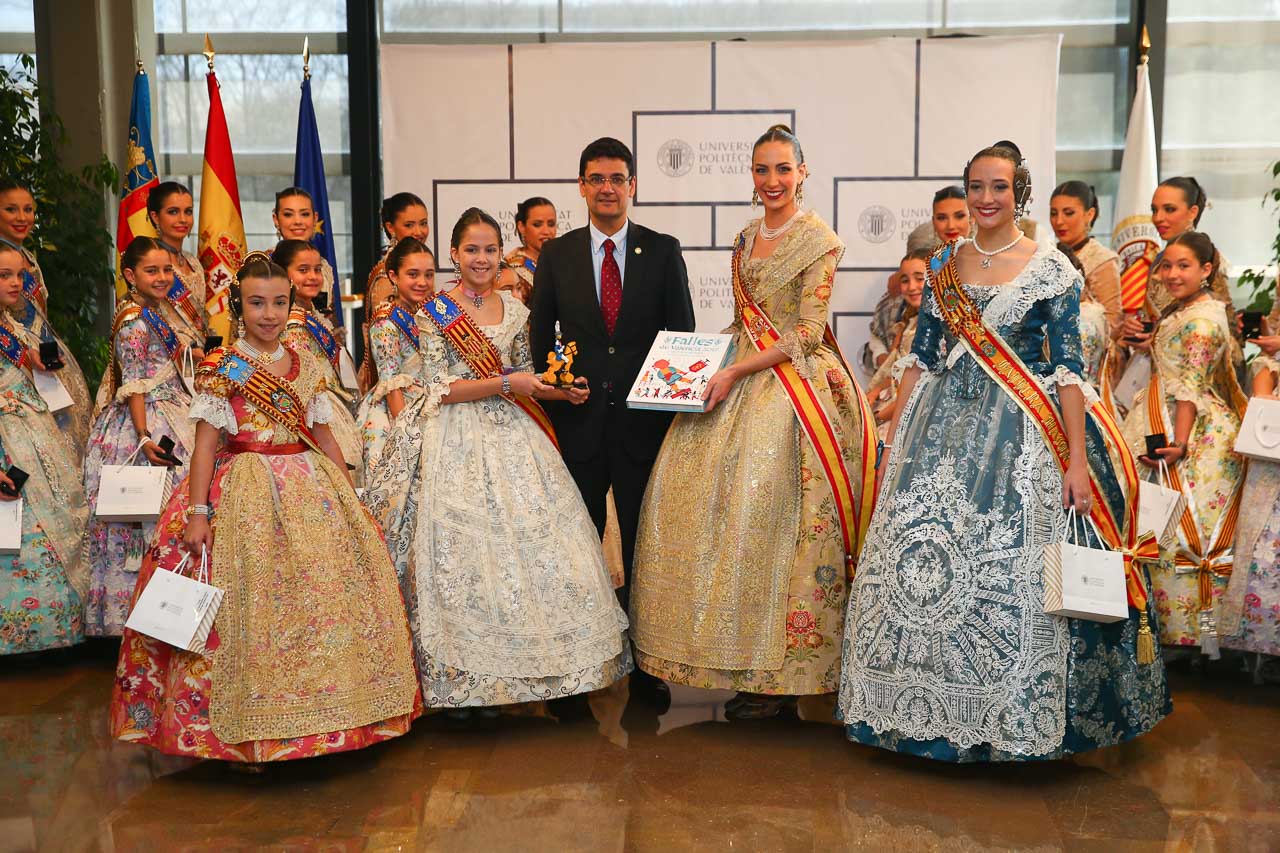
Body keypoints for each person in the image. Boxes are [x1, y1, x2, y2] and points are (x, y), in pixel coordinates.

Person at [839, 141, 1169, 761]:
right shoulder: (941, 267)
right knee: (922, 557)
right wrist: (894, 438)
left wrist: (1075, 460)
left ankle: (1007, 721)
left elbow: (1069, 372)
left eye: (997, 187)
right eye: (975, 188)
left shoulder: (1050, 270)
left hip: (1020, 437)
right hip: (936, 436)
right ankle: (915, 714)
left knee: (1009, 566)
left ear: (1017, 192)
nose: (985, 199)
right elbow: (923, 358)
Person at [109, 252, 420, 763]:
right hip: (245, 488)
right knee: (250, 606)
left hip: (310, 484)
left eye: (278, 303)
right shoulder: (223, 368)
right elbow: (206, 446)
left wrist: (348, 492)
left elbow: (321, 431)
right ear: (238, 305)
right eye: (257, 303)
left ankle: (337, 714)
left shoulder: (305, 364)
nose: (269, 314)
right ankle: (247, 730)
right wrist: (197, 512)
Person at [631, 125, 876, 719]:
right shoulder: (744, 238)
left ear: (803, 172)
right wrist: (692, 364)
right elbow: (745, 323)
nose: (772, 181)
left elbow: (807, 333)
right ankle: (734, 662)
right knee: (711, 516)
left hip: (795, 391)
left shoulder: (819, 240)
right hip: (739, 371)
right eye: (762, 170)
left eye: (783, 170)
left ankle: (783, 679)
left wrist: (735, 373)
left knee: (772, 522)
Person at [362, 208, 631, 713]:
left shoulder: (518, 309)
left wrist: (564, 392)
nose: (481, 259)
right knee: (465, 560)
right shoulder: (434, 312)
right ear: (454, 255)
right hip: (456, 439)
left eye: (489, 250)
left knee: (547, 553)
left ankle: (560, 678)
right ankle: (473, 685)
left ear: (498, 253)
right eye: (471, 250)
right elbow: (438, 388)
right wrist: (506, 384)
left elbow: (532, 375)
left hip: (518, 437)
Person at [529, 137, 696, 617]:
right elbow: (541, 337)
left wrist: (666, 408)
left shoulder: (663, 251)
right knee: (576, 542)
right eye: (597, 179)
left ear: (633, 186)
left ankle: (645, 660)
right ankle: (584, 651)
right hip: (577, 424)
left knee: (645, 545)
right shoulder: (556, 255)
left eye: (617, 179)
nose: (607, 188)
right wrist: (557, 389)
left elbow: (680, 339)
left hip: (643, 427)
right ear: (581, 187)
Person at [1121, 231, 1247, 654]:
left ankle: (1196, 635)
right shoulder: (1185, 308)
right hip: (1158, 416)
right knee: (1155, 525)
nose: (1172, 274)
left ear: (1207, 270)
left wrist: (1179, 442)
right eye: (1167, 265)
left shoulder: (1201, 319)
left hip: (1188, 431)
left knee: (1180, 529)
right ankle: (1167, 630)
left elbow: (1191, 387)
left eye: (1184, 266)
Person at [82, 237, 195, 637]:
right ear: (130, 275)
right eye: (152, 271)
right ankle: (141, 619)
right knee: (145, 520)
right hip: (144, 426)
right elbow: (135, 386)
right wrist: (145, 437)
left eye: (167, 270)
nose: (163, 277)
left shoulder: (158, 313)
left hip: (172, 412)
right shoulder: (133, 321)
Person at [0, 243, 88, 657]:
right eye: (4, 275)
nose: (16, 283)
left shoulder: (11, 327)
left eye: (19, 275)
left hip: (33, 433)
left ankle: (52, 634)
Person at [0, 180, 92, 453]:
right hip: (15, 359)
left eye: (28, 209)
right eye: (11, 209)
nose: (22, 217)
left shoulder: (28, 256)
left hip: (45, 349)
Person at [276, 239, 363, 485]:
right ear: (284, 274)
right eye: (303, 270)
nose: (313, 277)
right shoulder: (292, 322)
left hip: (334, 401)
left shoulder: (313, 314)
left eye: (317, 270)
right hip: (314, 409)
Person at [1221, 323, 1279, 677]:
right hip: (1270, 461)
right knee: (1262, 548)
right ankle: (1261, 648)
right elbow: (1260, 401)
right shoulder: (1269, 356)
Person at [356, 237, 434, 477]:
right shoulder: (385, 321)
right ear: (393, 276)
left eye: (429, 275)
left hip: (432, 404)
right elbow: (391, 385)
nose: (422, 282)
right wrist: (406, 433)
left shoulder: (430, 314)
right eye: (413, 274)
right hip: (398, 412)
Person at [867, 249, 928, 432]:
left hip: (912, 416)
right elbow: (896, 372)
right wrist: (877, 390)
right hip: (892, 406)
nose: (911, 287)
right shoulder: (908, 323)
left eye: (920, 278)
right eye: (905, 280)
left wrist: (877, 418)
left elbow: (919, 387)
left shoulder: (939, 327)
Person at [1050, 181, 1122, 334]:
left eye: (1068, 213)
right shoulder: (1047, 254)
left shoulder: (1102, 260)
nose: (1059, 221)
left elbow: (1113, 324)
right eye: (1054, 213)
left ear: (1090, 214)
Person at [146, 181, 208, 338]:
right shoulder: (148, 263)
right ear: (155, 217)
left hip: (199, 357)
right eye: (173, 212)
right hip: (165, 355)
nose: (183, 219)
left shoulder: (194, 262)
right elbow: (143, 318)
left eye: (188, 212)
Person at [272, 187, 339, 314]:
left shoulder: (324, 267)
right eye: (288, 214)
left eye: (304, 214)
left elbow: (329, 318)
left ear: (315, 218)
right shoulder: (264, 265)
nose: (298, 221)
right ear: (276, 219)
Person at [366, 192, 432, 310]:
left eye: (423, 223)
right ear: (390, 227)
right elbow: (384, 325)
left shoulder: (422, 263)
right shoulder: (386, 274)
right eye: (409, 225)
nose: (418, 232)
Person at [1058, 240, 1110, 389]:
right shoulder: (1096, 311)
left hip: (1080, 395)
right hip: (1094, 392)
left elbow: (1076, 375)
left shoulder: (1079, 320)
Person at [499, 196, 557, 305]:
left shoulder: (562, 261)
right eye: (537, 224)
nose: (546, 231)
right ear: (521, 227)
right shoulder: (514, 267)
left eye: (551, 224)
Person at [904, 185, 971, 256]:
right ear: (933, 222)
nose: (951, 226)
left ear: (972, 217)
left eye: (959, 216)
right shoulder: (920, 242)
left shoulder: (983, 247)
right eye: (942, 218)